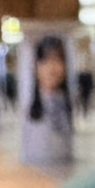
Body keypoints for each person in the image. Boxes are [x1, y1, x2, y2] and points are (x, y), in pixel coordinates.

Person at [20, 34, 73, 165]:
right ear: (35, 66)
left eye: (58, 60)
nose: (52, 68)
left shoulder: (65, 103)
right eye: (45, 61)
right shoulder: (29, 105)